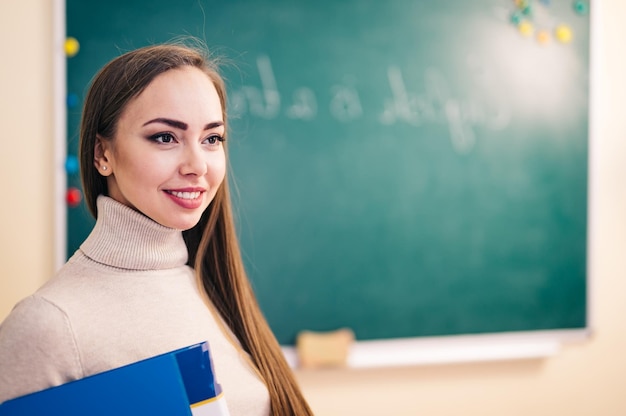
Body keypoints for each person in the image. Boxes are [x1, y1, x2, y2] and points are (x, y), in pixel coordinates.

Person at [0, 42, 313, 416]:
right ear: (103, 154)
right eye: (165, 137)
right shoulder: (48, 324)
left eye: (212, 139)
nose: (197, 165)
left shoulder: (213, 287)